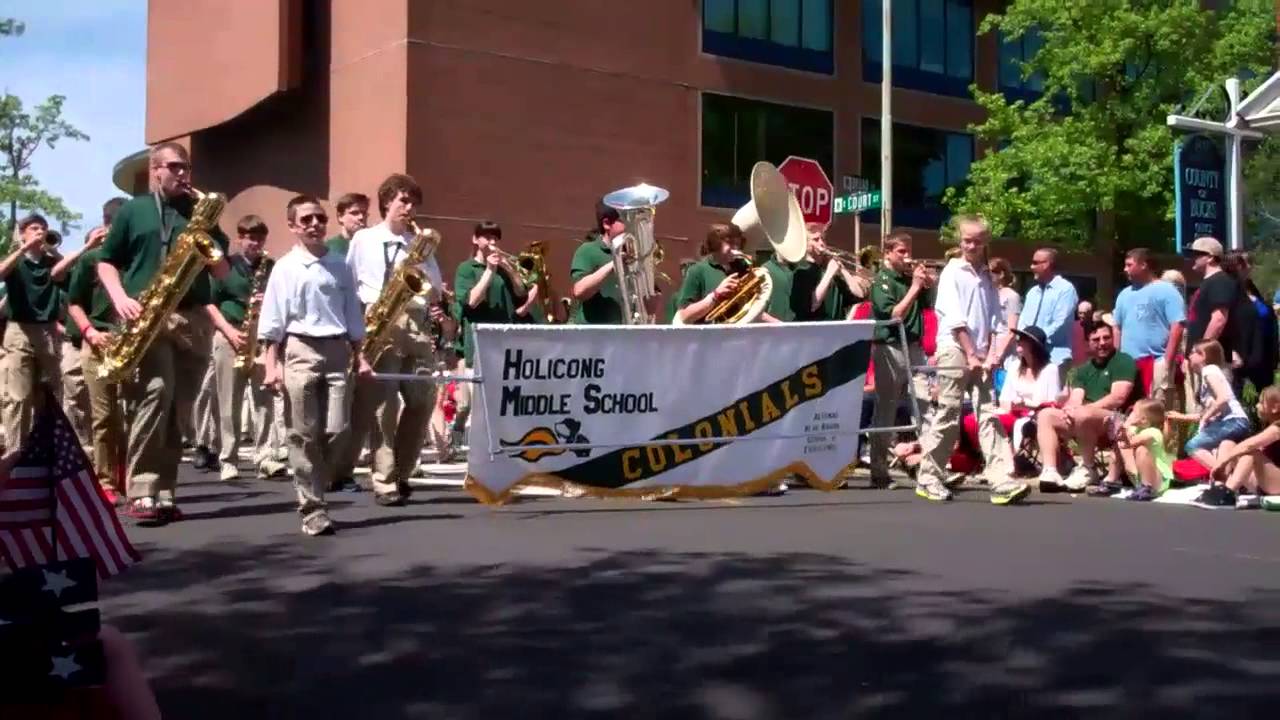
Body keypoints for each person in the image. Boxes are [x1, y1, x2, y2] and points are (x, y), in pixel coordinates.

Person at [97, 142, 232, 524]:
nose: (183, 174)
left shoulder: (199, 213)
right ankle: (142, 488)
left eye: (186, 167)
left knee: (180, 407)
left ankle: (166, 489)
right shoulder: (134, 210)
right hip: (148, 316)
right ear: (155, 169)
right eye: (174, 167)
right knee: (154, 396)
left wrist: (212, 249)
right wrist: (120, 297)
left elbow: (222, 271)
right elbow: (107, 263)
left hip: (192, 318)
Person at [258, 194, 372, 535]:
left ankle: (319, 482)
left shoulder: (340, 265)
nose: (314, 225)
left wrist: (360, 356)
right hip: (300, 350)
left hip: (337, 351)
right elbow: (273, 320)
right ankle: (313, 508)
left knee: (337, 430)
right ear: (293, 226)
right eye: (306, 220)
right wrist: (270, 365)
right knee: (303, 433)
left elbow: (353, 314)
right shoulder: (285, 267)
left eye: (319, 219)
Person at [344, 173, 454, 506]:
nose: (410, 208)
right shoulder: (364, 239)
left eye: (413, 203)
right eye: (403, 201)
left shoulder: (418, 243)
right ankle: (384, 479)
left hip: (415, 322)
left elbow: (434, 291)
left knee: (422, 400)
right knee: (384, 406)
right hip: (380, 320)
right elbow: (349, 286)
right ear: (387, 202)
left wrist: (422, 261)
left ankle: (404, 471)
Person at [914, 216, 1027, 505]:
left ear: (986, 241)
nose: (971, 245)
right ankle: (928, 477)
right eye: (967, 240)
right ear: (959, 240)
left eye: (977, 240)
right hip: (954, 348)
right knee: (949, 414)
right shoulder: (953, 272)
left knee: (989, 413)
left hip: (980, 353)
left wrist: (991, 355)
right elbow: (955, 320)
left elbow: (993, 322)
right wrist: (972, 354)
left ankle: (1001, 479)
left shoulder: (987, 277)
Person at [202, 214, 285, 481]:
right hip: (231, 334)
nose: (255, 243)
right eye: (249, 237)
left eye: (259, 238)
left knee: (264, 401)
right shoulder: (225, 265)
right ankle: (228, 459)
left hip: (260, 337)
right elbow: (209, 302)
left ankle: (264, 457)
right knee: (230, 400)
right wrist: (227, 330)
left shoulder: (271, 267)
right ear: (239, 238)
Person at [866, 231, 932, 487]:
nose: (908, 257)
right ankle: (879, 472)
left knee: (927, 408)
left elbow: (926, 305)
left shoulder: (907, 279)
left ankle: (931, 469)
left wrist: (927, 285)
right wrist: (915, 287)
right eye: (901, 252)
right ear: (888, 254)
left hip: (914, 346)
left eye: (908, 251)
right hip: (890, 348)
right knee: (886, 410)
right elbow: (894, 314)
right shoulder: (881, 280)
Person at [1036, 322, 1137, 491]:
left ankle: (1088, 469)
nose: (1102, 343)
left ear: (1113, 338)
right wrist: (1070, 409)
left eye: (1106, 338)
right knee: (1046, 415)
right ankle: (1050, 471)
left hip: (1118, 420)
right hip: (1085, 420)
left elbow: (1118, 398)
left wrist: (1085, 410)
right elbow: (1076, 397)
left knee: (1083, 414)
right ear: (1088, 343)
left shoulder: (1123, 361)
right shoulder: (1082, 370)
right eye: (1096, 339)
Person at [0, 214, 63, 447]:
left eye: (43, 228)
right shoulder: (17, 262)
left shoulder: (50, 262)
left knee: (53, 393)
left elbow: (68, 271)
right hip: (19, 331)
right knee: (18, 395)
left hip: (48, 332)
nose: (40, 232)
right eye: (34, 228)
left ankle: (50, 446)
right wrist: (23, 248)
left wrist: (51, 250)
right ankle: (16, 451)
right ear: (22, 232)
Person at [454, 220, 535, 365]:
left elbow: (521, 295)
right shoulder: (466, 268)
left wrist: (510, 270)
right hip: (479, 343)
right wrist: (490, 270)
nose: (492, 242)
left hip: (505, 341)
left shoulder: (504, 270)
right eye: (487, 237)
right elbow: (471, 301)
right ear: (475, 239)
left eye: (496, 238)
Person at [1113, 248, 1185, 406]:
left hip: (1157, 361)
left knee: (1157, 410)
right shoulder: (1124, 294)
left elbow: (1177, 325)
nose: (1125, 269)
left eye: (1129, 265)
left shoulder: (1167, 291)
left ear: (1144, 265)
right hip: (1128, 363)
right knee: (1127, 409)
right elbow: (1117, 328)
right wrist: (1116, 359)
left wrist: (1167, 360)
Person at [1167, 339, 1252, 471]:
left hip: (1232, 422)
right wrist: (1180, 416)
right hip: (1235, 422)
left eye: (1192, 352)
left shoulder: (1209, 370)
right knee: (1221, 448)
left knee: (1193, 446)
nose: (1189, 356)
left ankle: (1222, 476)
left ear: (1203, 356)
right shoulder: (1210, 373)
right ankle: (1231, 476)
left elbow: (1223, 397)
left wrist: (1206, 417)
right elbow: (1210, 412)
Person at [570, 202, 659, 324]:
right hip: (593, 336)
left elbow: (650, 303)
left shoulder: (636, 255)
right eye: (625, 220)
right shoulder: (588, 250)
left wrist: (653, 300)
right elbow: (579, 291)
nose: (632, 226)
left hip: (626, 335)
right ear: (606, 224)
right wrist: (614, 264)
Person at [1184, 237, 1249, 396]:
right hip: (1204, 362)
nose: (1193, 258)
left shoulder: (1220, 281)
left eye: (1197, 254)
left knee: (1217, 412)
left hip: (1214, 363)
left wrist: (1201, 352)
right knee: (1204, 410)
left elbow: (1219, 319)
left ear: (1210, 257)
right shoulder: (1209, 282)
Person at [1196, 385, 1280, 509]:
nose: (1257, 406)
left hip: (1276, 484)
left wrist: (1222, 462)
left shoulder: (1277, 429)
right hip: (1264, 483)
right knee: (1227, 444)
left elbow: (1249, 445)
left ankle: (1228, 493)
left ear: (1275, 408)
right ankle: (1220, 487)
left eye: (1261, 403)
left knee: (1251, 453)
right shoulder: (1270, 427)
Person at [1096, 399, 1174, 501]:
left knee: (1141, 450)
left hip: (1157, 479)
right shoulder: (1135, 429)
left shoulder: (1153, 433)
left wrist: (1125, 427)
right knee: (1117, 446)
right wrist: (1113, 427)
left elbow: (1130, 444)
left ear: (1143, 420)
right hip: (1138, 474)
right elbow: (1122, 443)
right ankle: (1111, 480)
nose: (1130, 413)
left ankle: (1147, 487)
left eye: (1133, 412)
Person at [1018, 247, 1078, 378]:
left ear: (1046, 264)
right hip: (1029, 357)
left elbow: (1060, 322)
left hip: (1054, 357)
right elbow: (1023, 320)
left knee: (1051, 398)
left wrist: (1037, 339)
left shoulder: (1065, 289)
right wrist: (1023, 340)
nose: (1031, 266)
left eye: (1035, 263)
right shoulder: (1033, 292)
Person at [1225, 251, 1278, 394]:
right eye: (1246, 262)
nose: (1250, 266)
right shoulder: (1228, 289)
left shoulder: (1253, 289)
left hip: (1263, 356)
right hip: (1242, 358)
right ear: (1235, 265)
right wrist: (1232, 352)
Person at [674, 224, 748, 324]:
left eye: (738, 244)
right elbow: (684, 316)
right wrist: (715, 295)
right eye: (730, 243)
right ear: (716, 243)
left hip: (742, 335)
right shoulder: (697, 270)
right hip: (711, 337)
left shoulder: (743, 267)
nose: (736, 249)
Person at [990, 257, 1021, 392]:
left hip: (1005, 350)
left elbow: (1012, 330)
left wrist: (999, 354)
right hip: (990, 345)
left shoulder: (1012, 296)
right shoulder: (990, 294)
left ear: (1001, 274)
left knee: (1004, 388)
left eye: (990, 272)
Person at [325, 192, 370, 257]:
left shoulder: (373, 244)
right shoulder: (329, 248)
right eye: (354, 213)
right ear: (340, 217)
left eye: (364, 212)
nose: (361, 217)